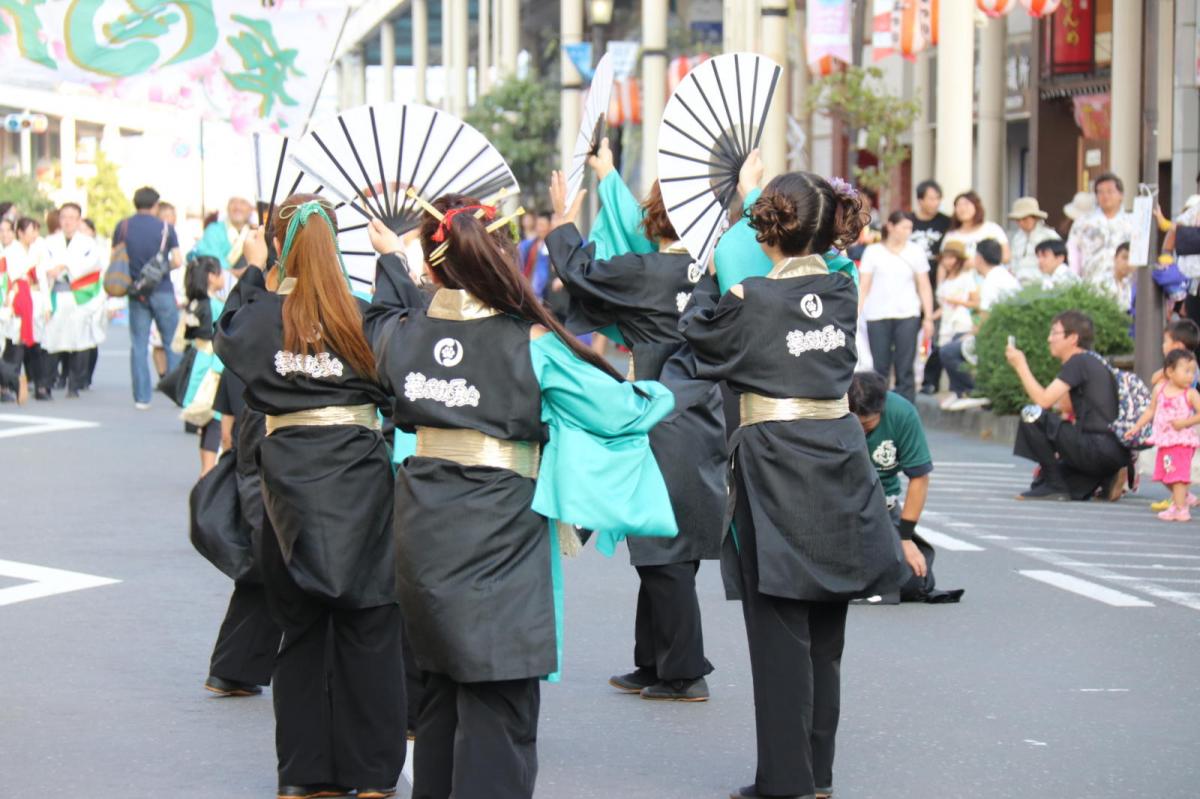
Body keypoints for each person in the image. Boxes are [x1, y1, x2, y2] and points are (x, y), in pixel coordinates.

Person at [363, 190, 678, 799]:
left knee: (440, 693)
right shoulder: (532, 342)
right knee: (500, 702)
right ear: (500, 256)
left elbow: (380, 316)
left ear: (433, 266)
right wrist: (660, 389)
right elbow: (620, 413)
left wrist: (392, 262)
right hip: (499, 527)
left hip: (420, 523)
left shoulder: (403, 334)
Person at [682, 161, 910, 799]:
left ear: (765, 232)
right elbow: (810, 267)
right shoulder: (842, 290)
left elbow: (696, 338)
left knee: (778, 628)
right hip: (838, 456)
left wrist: (711, 278)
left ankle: (785, 782)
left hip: (775, 458)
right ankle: (816, 775)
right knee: (825, 633)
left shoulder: (752, 299)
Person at [214, 195, 407, 799]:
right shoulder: (364, 317)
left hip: (286, 486)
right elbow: (410, 345)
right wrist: (396, 262)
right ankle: (373, 775)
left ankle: (304, 774)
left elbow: (228, 336)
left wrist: (253, 269)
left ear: (282, 245)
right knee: (370, 627)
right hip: (360, 481)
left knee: (298, 631)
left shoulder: (264, 317)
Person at [545, 142, 725, 702]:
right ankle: (654, 660)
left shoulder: (650, 270)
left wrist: (564, 220)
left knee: (659, 543)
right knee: (671, 539)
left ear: (654, 221)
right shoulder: (712, 271)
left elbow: (580, 272)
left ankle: (684, 670)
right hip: (704, 411)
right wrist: (607, 173)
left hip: (658, 411)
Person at [849, 371, 962, 604]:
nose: (861, 432)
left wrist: (905, 537)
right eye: (855, 425)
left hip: (883, 508)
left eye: (868, 426)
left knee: (914, 581)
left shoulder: (902, 413)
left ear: (882, 408)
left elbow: (919, 478)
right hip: (841, 510)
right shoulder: (830, 413)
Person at [1005, 310, 1131, 501]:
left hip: (1095, 446)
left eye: (1054, 333)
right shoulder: (1093, 360)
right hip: (1112, 451)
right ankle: (1106, 478)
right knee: (1040, 481)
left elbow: (1043, 402)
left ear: (1073, 338)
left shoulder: (1078, 361)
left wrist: (1020, 365)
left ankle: (1055, 487)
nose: (1049, 339)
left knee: (1030, 413)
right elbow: (1067, 408)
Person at [114, 186, 183, 409]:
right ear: (155, 205)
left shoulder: (123, 226)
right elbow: (178, 260)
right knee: (171, 342)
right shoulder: (166, 227)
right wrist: (161, 269)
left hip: (136, 291)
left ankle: (142, 398)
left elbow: (115, 257)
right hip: (162, 290)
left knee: (139, 344)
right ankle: (177, 393)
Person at [858, 210, 935, 402]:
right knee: (880, 367)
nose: (908, 231)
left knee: (905, 366)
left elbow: (924, 285)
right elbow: (864, 286)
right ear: (891, 227)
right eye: (904, 227)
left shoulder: (915, 250)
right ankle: (880, 409)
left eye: (910, 227)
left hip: (908, 313)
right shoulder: (873, 251)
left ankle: (906, 410)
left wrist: (928, 317)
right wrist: (856, 313)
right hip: (877, 314)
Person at [939, 239, 1020, 410]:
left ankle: (972, 390)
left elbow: (986, 316)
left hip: (995, 338)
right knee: (957, 341)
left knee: (948, 351)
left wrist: (973, 334)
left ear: (979, 258)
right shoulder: (1005, 276)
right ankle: (961, 391)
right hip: (1004, 334)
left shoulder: (992, 281)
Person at [1126, 349, 1200, 521]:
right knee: (1164, 474)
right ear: (1170, 372)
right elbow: (1151, 410)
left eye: (1193, 371)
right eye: (1186, 371)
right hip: (1165, 441)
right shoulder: (1160, 389)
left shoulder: (1190, 393)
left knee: (1178, 475)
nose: (1190, 376)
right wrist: (1137, 426)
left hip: (1182, 441)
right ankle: (1183, 497)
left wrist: (1184, 423)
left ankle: (1181, 508)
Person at [42, 203, 105, 397]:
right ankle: (47, 383)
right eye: (64, 217)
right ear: (59, 219)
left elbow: (92, 266)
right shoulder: (50, 242)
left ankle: (74, 383)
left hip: (79, 296)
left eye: (72, 217)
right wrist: (55, 270)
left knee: (80, 340)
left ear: (78, 220)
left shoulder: (88, 243)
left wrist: (65, 266)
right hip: (57, 294)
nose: (68, 221)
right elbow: (44, 266)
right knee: (52, 339)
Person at [1146, 319, 1200, 512]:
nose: (1162, 345)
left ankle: (1180, 502)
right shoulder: (1181, 367)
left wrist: (1169, 369)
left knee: (1175, 466)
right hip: (1170, 429)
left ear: (1176, 345)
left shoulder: (1186, 368)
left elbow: (1154, 379)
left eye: (1165, 341)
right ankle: (1182, 496)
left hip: (1181, 429)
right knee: (1168, 466)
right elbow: (1154, 380)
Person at [180, 256, 226, 475]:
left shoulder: (194, 303)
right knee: (216, 416)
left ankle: (205, 468)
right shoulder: (216, 305)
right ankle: (208, 470)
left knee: (207, 420)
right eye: (220, 272)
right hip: (213, 362)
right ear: (211, 277)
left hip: (198, 358)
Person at [2, 217, 53, 401]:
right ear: (21, 232)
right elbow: (13, 273)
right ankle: (7, 386)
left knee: (36, 347)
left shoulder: (37, 250)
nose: (34, 235)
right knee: (15, 347)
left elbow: (43, 279)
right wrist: (32, 260)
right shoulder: (12, 251)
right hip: (18, 300)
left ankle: (41, 385)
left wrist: (47, 305)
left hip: (35, 300)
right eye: (31, 231)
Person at [911, 180, 951, 395]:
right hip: (910, 287)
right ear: (920, 200)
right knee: (910, 334)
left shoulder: (946, 223)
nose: (935, 203)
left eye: (938, 198)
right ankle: (907, 377)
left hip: (936, 286)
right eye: (931, 198)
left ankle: (930, 380)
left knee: (934, 333)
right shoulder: (909, 221)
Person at [1067, 173, 1133, 295]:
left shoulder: (1132, 222)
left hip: (1125, 286)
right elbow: (1073, 252)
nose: (1105, 196)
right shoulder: (1083, 222)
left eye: (1110, 191)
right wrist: (1075, 281)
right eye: (1100, 192)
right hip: (1091, 285)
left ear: (1121, 195)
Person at [942, 190, 1010, 262]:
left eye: (966, 204)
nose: (962, 208)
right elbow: (943, 262)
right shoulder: (951, 235)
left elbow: (1006, 256)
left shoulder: (992, 229)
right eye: (958, 205)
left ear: (976, 206)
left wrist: (979, 263)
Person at [1007, 197, 1060, 286]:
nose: (1021, 223)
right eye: (1018, 220)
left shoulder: (1049, 236)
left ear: (1035, 218)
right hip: (1018, 284)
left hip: (1042, 284)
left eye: (1025, 219)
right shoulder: (1017, 238)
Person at [1113, 241, 1133, 312]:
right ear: (1115, 258)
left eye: (1131, 259)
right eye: (1125, 258)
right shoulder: (1102, 283)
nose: (1128, 263)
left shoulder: (1133, 286)